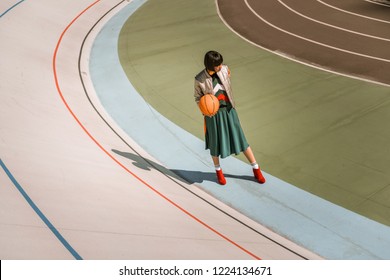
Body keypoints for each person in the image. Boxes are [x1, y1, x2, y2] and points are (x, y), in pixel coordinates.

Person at [194, 50, 266, 185]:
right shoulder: (199, 79)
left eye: (221, 63)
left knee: (241, 139)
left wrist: (225, 70)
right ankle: (218, 171)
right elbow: (197, 97)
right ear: (211, 65)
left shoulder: (225, 69)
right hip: (213, 115)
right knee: (215, 144)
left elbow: (227, 73)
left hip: (229, 110)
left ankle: (256, 168)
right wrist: (205, 110)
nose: (221, 66)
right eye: (218, 65)